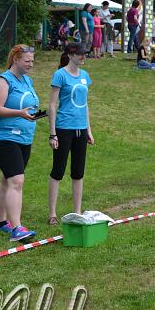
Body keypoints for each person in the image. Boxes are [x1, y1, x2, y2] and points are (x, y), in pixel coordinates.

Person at [0, 45, 39, 241]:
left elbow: (28, 105)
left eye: (32, 61)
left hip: (23, 138)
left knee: (7, 179)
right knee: (16, 181)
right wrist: (20, 113)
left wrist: (32, 115)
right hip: (4, 139)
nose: (30, 64)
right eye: (27, 60)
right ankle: (16, 228)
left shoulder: (27, 80)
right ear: (16, 59)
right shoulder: (2, 81)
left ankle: (1, 223)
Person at [47, 42, 95, 225]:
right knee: (58, 171)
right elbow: (52, 105)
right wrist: (53, 134)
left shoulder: (85, 76)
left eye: (85, 54)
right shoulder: (60, 75)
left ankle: (77, 211)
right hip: (63, 128)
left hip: (80, 129)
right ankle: (52, 214)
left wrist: (88, 130)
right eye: (81, 54)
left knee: (78, 172)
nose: (84, 57)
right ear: (70, 55)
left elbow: (85, 104)